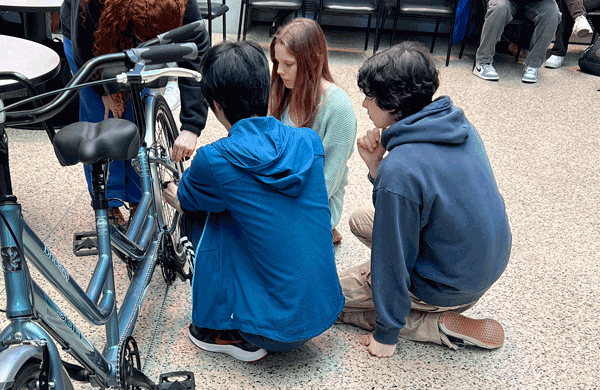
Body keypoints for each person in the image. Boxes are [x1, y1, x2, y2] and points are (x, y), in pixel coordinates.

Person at [162, 41, 344, 362]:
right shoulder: (307, 141)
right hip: (322, 310)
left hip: (271, 329)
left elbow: (185, 201)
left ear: (215, 105)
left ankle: (223, 328)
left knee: (204, 214)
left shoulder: (213, 159)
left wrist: (167, 186)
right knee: (249, 206)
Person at [337, 42, 511, 358]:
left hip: (446, 285)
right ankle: (425, 301)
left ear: (391, 103)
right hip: (479, 265)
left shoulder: (402, 167)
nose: (363, 104)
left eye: (369, 95)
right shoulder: (458, 125)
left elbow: (393, 258)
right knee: (360, 219)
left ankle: (434, 323)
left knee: (325, 298)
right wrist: (376, 167)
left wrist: (386, 336)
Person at [63, 0, 208, 226]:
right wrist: (104, 91)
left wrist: (192, 125)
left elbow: (196, 59)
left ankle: (137, 196)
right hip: (90, 39)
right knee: (102, 121)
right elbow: (82, 49)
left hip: (137, 34)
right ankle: (108, 202)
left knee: (134, 115)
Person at [269, 18, 357, 244]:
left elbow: (328, 179)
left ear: (312, 60)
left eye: (288, 64)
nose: (279, 71)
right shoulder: (283, 92)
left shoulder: (338, 107)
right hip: (282, 191)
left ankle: (325, 232)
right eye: (277, 63)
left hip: (314, 200)